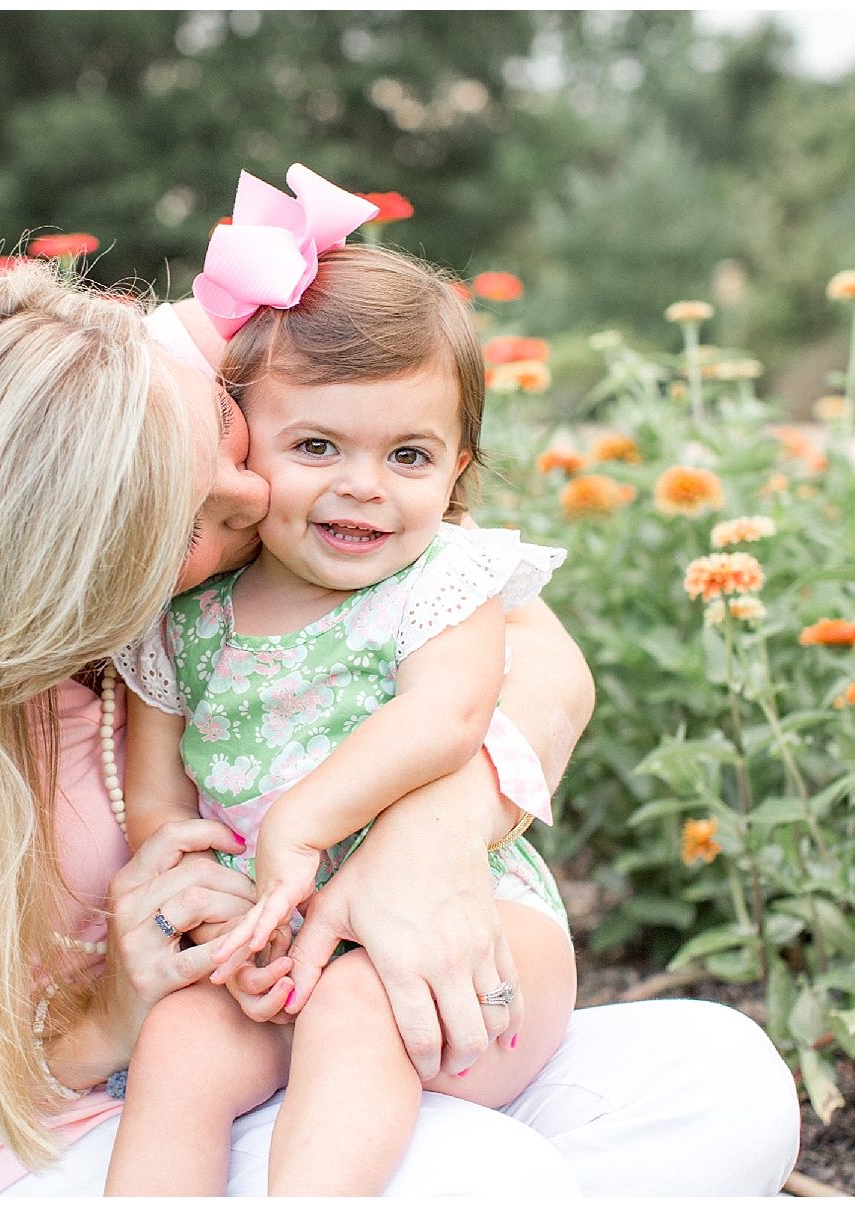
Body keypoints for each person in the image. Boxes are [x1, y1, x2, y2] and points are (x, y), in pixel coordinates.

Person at [0, 252, 800, 1197]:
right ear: (65, 566)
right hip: (65, 1131)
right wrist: (100, 1020)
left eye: (242, 456)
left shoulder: (179, 431)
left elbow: (542, 664)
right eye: (207, 515)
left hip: (303, 1026)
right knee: (486, 1178)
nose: (259, 508)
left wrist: (432, 835)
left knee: (722, 1078)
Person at [106, 232, 577, 1195]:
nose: (363, 483)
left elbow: (447, 719)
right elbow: (157, 800)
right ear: (241, 445)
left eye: (409, 453)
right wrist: (211, 917)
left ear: (458, 470)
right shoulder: (190, 618)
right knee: (179, 1046)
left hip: (469, 922)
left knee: (357, 1011)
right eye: (317, 445)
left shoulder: (443, 583)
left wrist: (301, 820)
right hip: (273, 937)